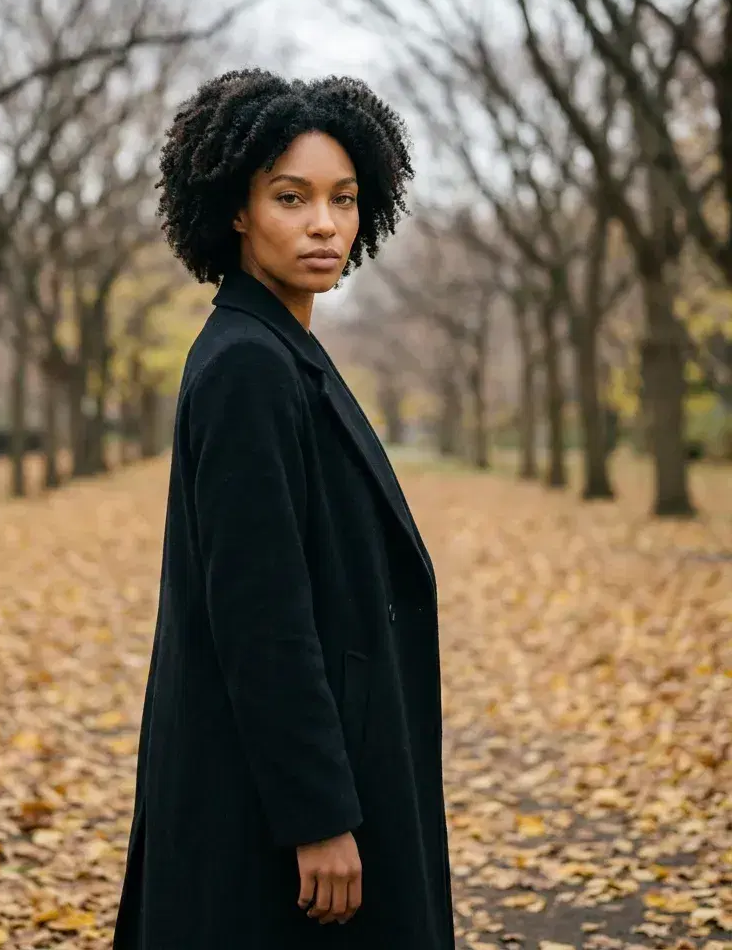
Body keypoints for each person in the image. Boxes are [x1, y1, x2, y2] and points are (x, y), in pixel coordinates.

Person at [112, 69, 454, 949]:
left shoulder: (277, 346)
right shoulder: (248, 366)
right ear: (237, 209)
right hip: (269, 805)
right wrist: (319, 817)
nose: (324, 223)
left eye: (344, 198)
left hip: (295, 767)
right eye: (291, 197)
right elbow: (260, 616)